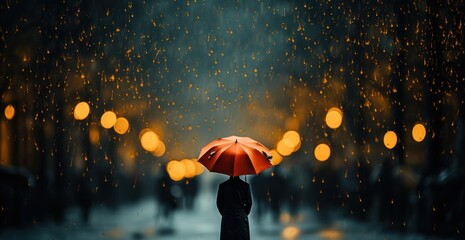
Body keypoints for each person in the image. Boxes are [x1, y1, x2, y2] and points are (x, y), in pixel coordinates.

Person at [216, 176, 252, 240]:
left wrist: (225, 213)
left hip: (227, 217)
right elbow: (249, 203)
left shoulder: (223, 186)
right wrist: (243, 213)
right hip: (241, 217)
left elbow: (219, 203)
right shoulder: (245, 186)